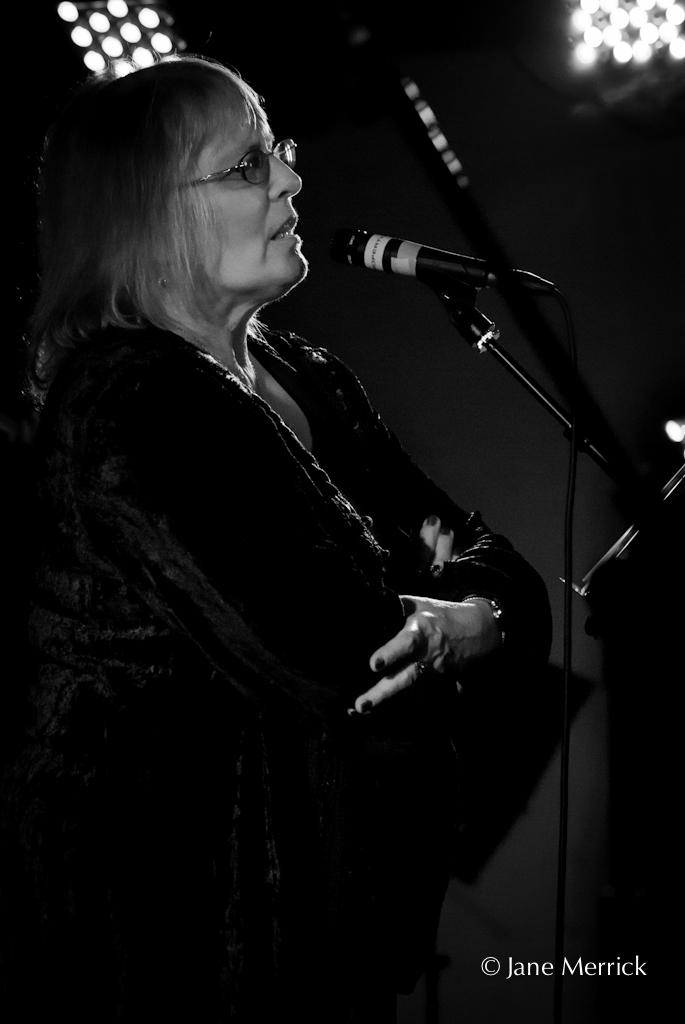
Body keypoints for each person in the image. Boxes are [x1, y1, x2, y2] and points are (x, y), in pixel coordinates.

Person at [0, 55, 552, 1024]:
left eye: (279, 151)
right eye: (247, 165)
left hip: (316, 924)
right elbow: (344, 647)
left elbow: (491, 560)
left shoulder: (307, 374)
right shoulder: (131, 403)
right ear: (148, 214)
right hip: (173, 938)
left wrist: (475, 616)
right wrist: (445, 610)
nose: (293, 178)